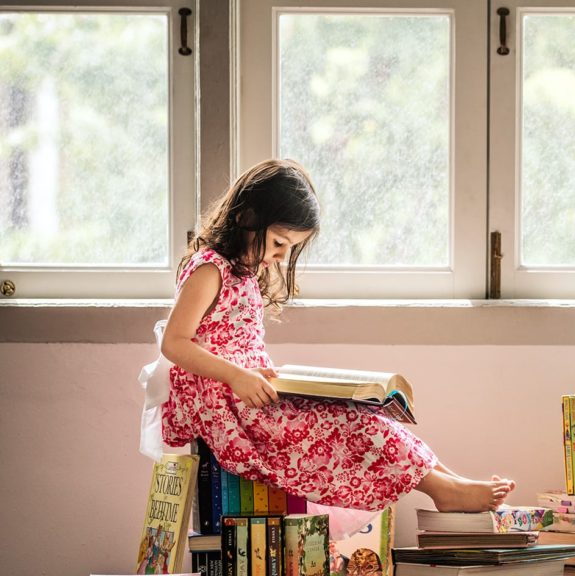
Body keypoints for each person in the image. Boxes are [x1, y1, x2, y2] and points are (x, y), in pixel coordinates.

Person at [144, 159, 514, 532]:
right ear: (247, 217)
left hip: (248, 389)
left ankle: (449, 482)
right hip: (224, 402)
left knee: (371, 414)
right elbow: (175, 344)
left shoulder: (244, 272)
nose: (280, 257)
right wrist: (237, 375)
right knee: (355, 422)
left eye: (289, 248)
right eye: (278, 243)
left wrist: (255, 374)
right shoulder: (211, 269)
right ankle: (443, 489)